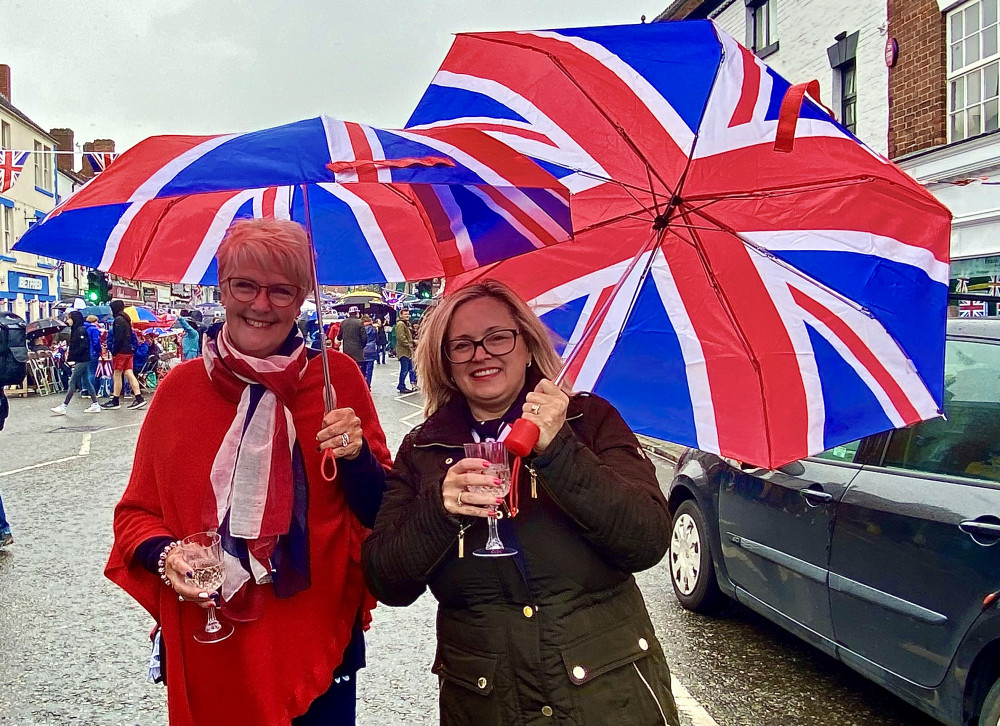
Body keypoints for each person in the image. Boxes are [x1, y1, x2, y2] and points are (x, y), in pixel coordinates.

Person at [105, 218, 391, 726]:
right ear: (222, 288)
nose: (261, 304)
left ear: (304, 296)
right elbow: (136, 514)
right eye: (245, 285)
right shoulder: (180, 390)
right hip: (209, 641)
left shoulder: (337, 380)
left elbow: (383, 510)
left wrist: (356, 459)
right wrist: (166, 555)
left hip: (318, 642)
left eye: (281, 289)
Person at [362, 280, 680, 726]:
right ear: (446, 363)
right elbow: (386, 580)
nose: (481, 354)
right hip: (486, 702)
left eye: (497, 337)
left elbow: (646, 539)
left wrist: (560, 451)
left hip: (609, 697)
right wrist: (439, 508)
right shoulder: (424, 448)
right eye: (462, 345)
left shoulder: (589, 420)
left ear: (527, 345)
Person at [50, 311, 102, 415]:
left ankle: (64, 406)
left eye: (69, 318)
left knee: (72, 381)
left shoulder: (80, 331)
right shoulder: (77, 330)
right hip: (83, 359)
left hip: (82, 359)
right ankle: (95, 404)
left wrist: (73, 356)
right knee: (87, 381)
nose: (67, 321)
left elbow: (83, 347)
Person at [102, 300, 145, 410]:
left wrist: (114, 351)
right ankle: (139, 397)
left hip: (121, 351)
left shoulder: (118, 320)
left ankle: (115, 400)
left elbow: (118, 338)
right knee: (129, 373)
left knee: (117, 374)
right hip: (128, 351)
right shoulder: (126, 319)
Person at [393, 308, 417, 394]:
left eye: (408, 314)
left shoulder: (406, 324)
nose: (407, 316)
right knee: (404, 369)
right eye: (405, 314)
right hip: (404, 351)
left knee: (409, 368)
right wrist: (410, 345)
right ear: (401, 315)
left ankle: (402, 385)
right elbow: (401, 338)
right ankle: (401, 386)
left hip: (407, 351)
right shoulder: (400, 324)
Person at [84, 315, 102, 395]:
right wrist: (99, 351)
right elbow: (96, 342)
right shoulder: (94, 329)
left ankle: (84, 390)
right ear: (94, 321)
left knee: (85, 372)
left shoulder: (83, 328)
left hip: (84, 353)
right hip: (92, 352)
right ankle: (91, 390)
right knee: (92, 372)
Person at [360, 315, 377, 388]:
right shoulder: (374, 329)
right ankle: (368, 385)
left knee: (362, 369)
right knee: (370, 370)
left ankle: (363, 384)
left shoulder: (361, 329)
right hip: (372, 350)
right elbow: (377, 339)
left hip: (363, 350)